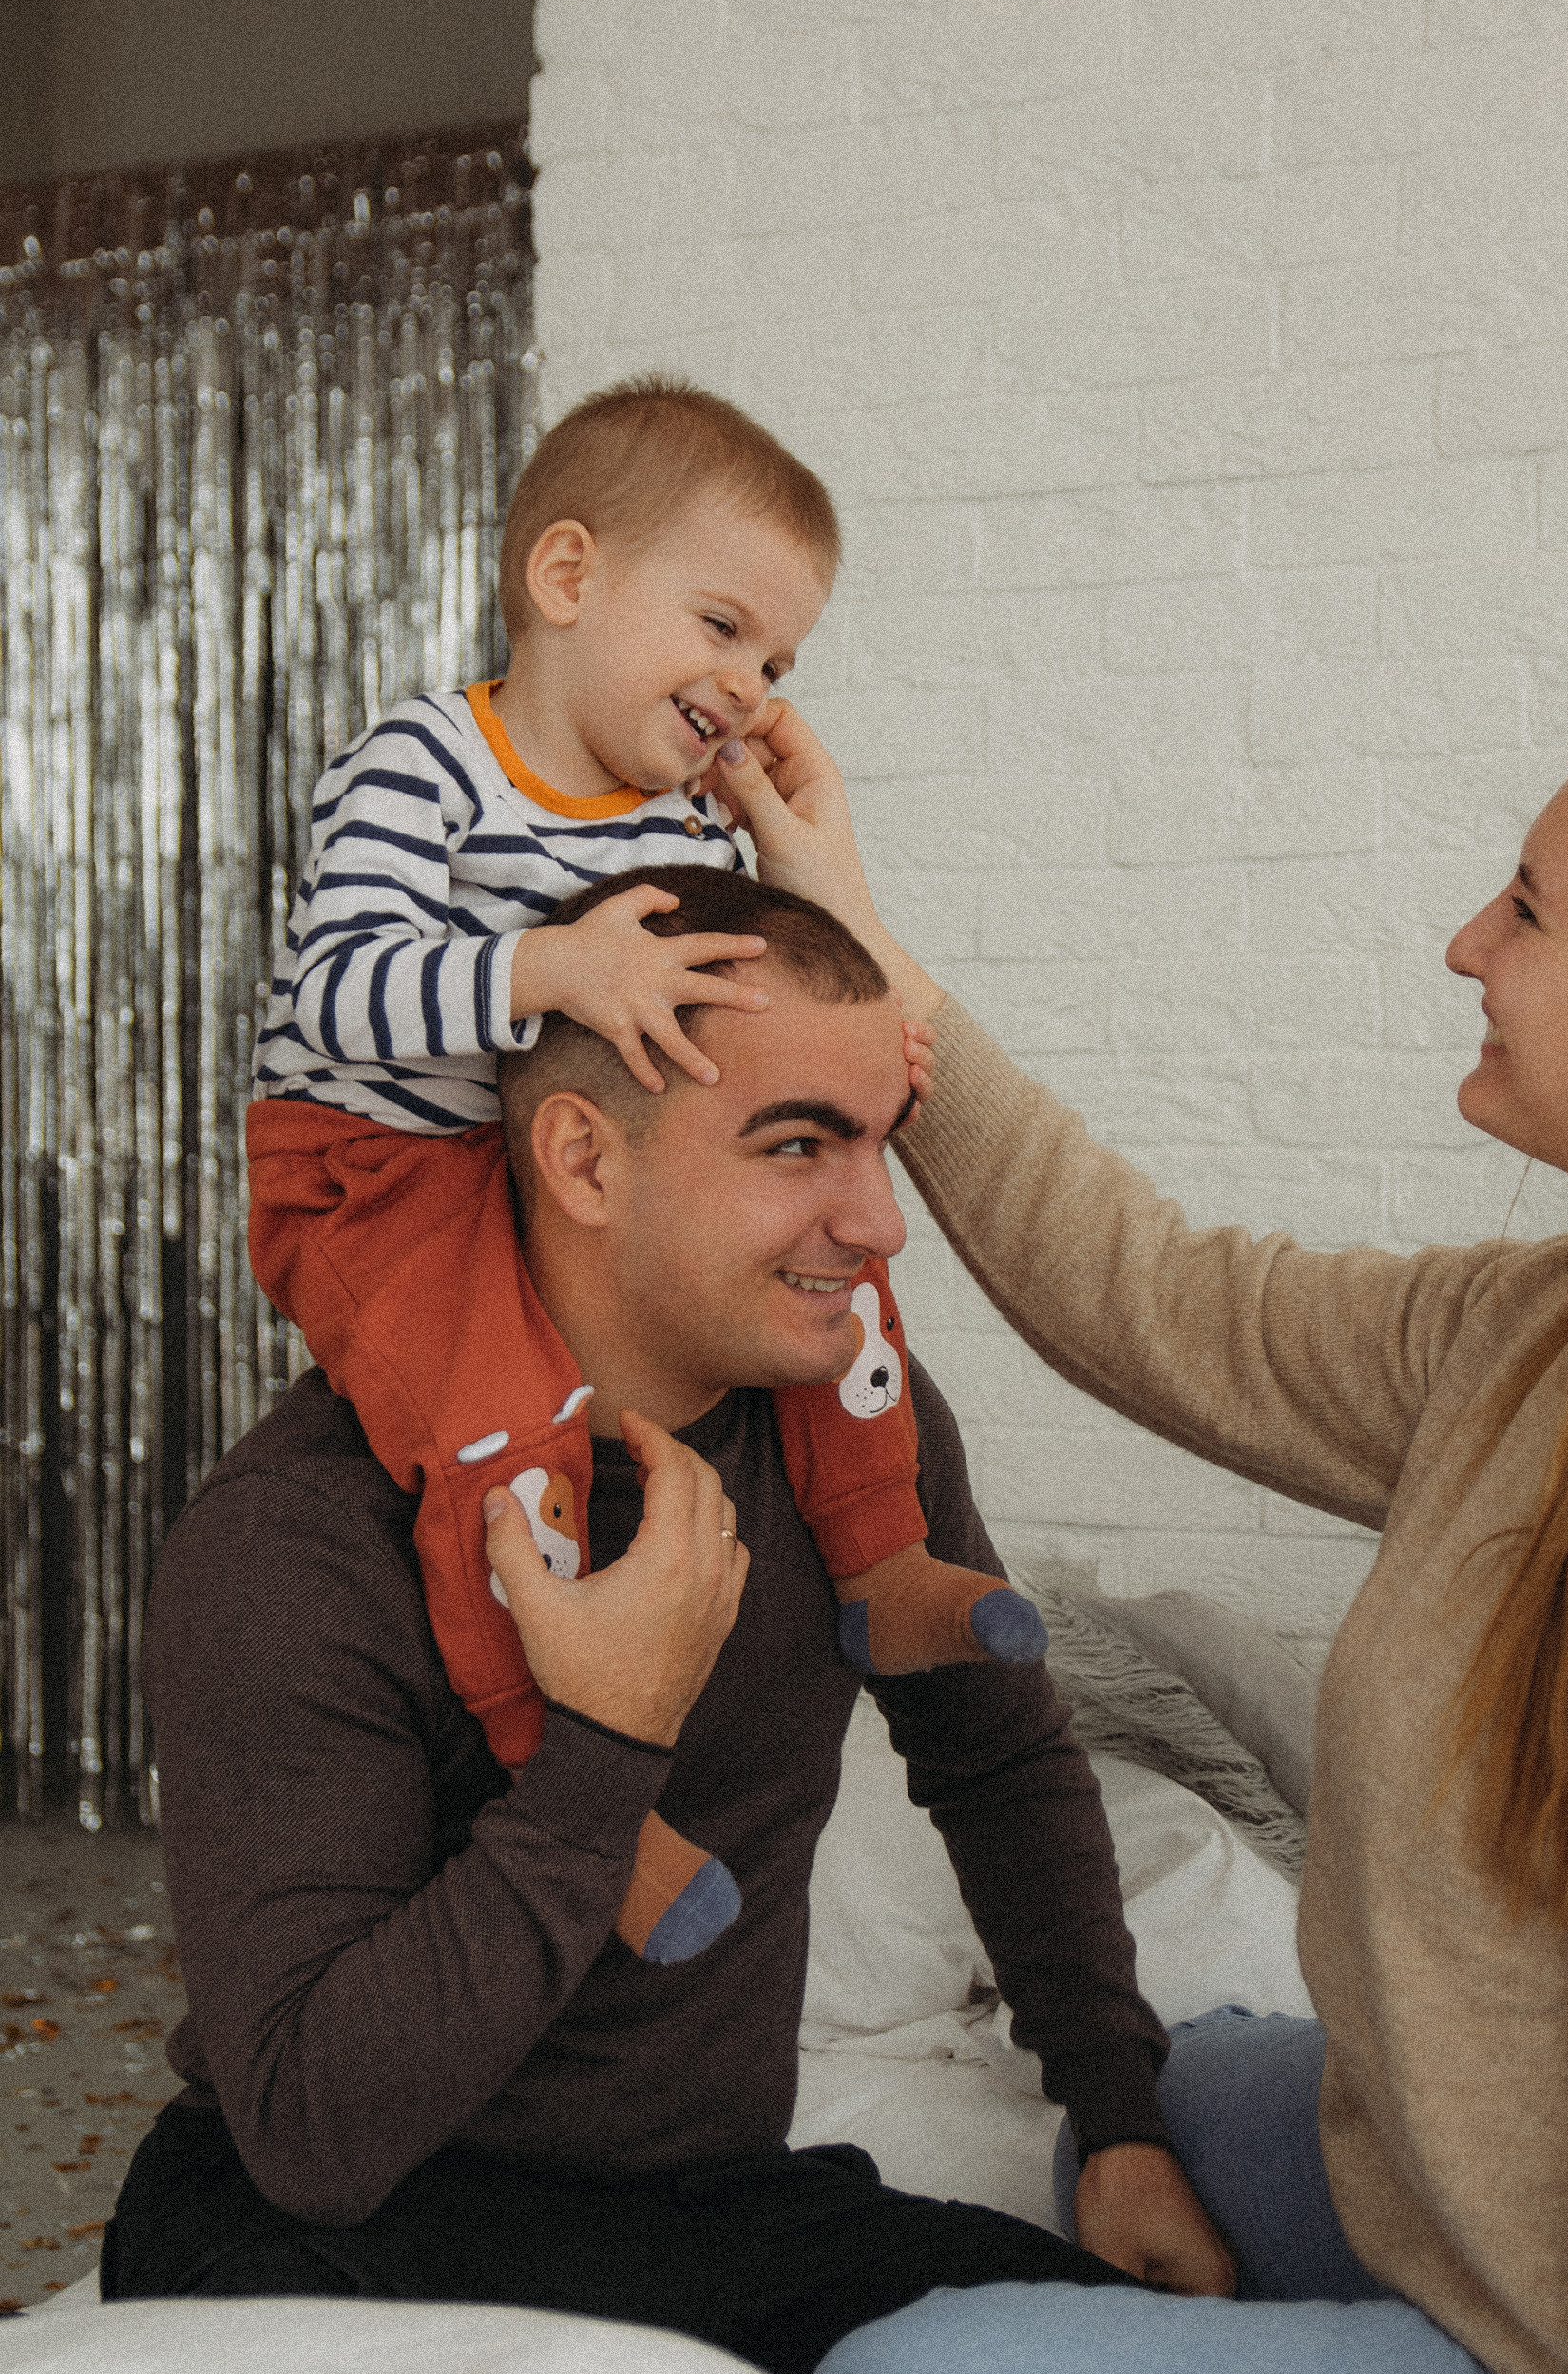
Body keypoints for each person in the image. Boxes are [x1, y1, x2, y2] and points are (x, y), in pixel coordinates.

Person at [710, 676, 1568, 2374]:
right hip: (1528, 2226)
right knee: (1156, 2101)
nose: (1464, 941)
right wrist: (853, 931)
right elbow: (1152, 1295)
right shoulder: (1545, 1336)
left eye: (1527, 908)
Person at [105, 868, 1238, 2374]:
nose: (879, 1223)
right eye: (797, 1147)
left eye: (879, 1145)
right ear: (582, 1155)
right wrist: (603, 1742)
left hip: (699, 2215)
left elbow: (999, 1763)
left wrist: (1119, 2118)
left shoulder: (858, 1441)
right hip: (332, 2248)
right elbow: (314, 2132)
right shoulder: (295, 1541)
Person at [245, 376, 1043, 1918]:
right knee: (495, 1435)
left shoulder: (689, 825)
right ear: (566, 579)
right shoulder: (431, 764)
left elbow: (746, 1028)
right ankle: (575, 1779)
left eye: (783, 659)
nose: (752, 685)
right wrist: (553, 970)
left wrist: (849, 978)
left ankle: (880, 1567)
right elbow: (333, 992)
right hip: (373, 1159)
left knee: (842, 1281)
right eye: (724, 628)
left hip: (535, 1159)